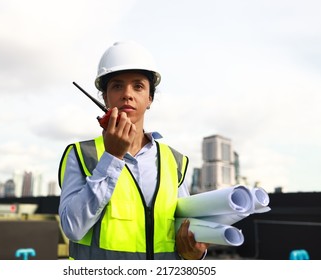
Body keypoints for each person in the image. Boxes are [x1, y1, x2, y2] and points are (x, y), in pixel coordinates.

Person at [58, 41, 209, 260]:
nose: (127, 94)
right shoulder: (82, 155)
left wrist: (195, 253)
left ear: (150, 99)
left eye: (138, 86)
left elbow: (183, 231)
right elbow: (72, 227)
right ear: (105, 97)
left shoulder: (175, 162)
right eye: (117, 86)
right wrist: (112, 157)